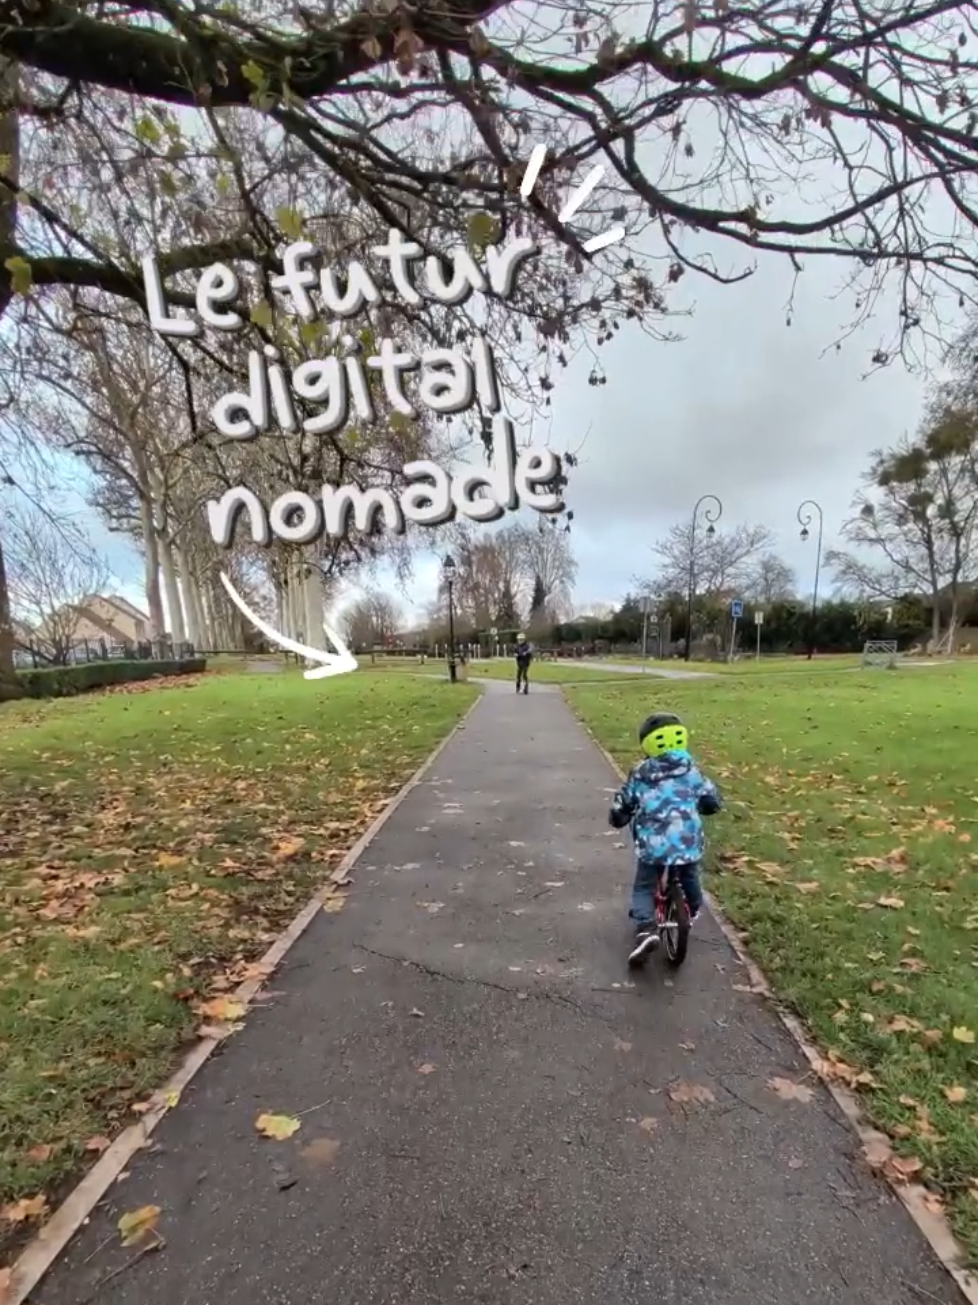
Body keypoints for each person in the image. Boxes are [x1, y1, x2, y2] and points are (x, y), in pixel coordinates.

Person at [608, 711, 722, 965]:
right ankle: (691, 910)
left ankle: (645, 928)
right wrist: (707, 806)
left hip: (653, 844)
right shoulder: (691, 770)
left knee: (644, 886)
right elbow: (711, 798)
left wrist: (618, 816)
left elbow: (625, 801)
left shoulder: (641, 773)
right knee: (690, 876)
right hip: (687, 842)